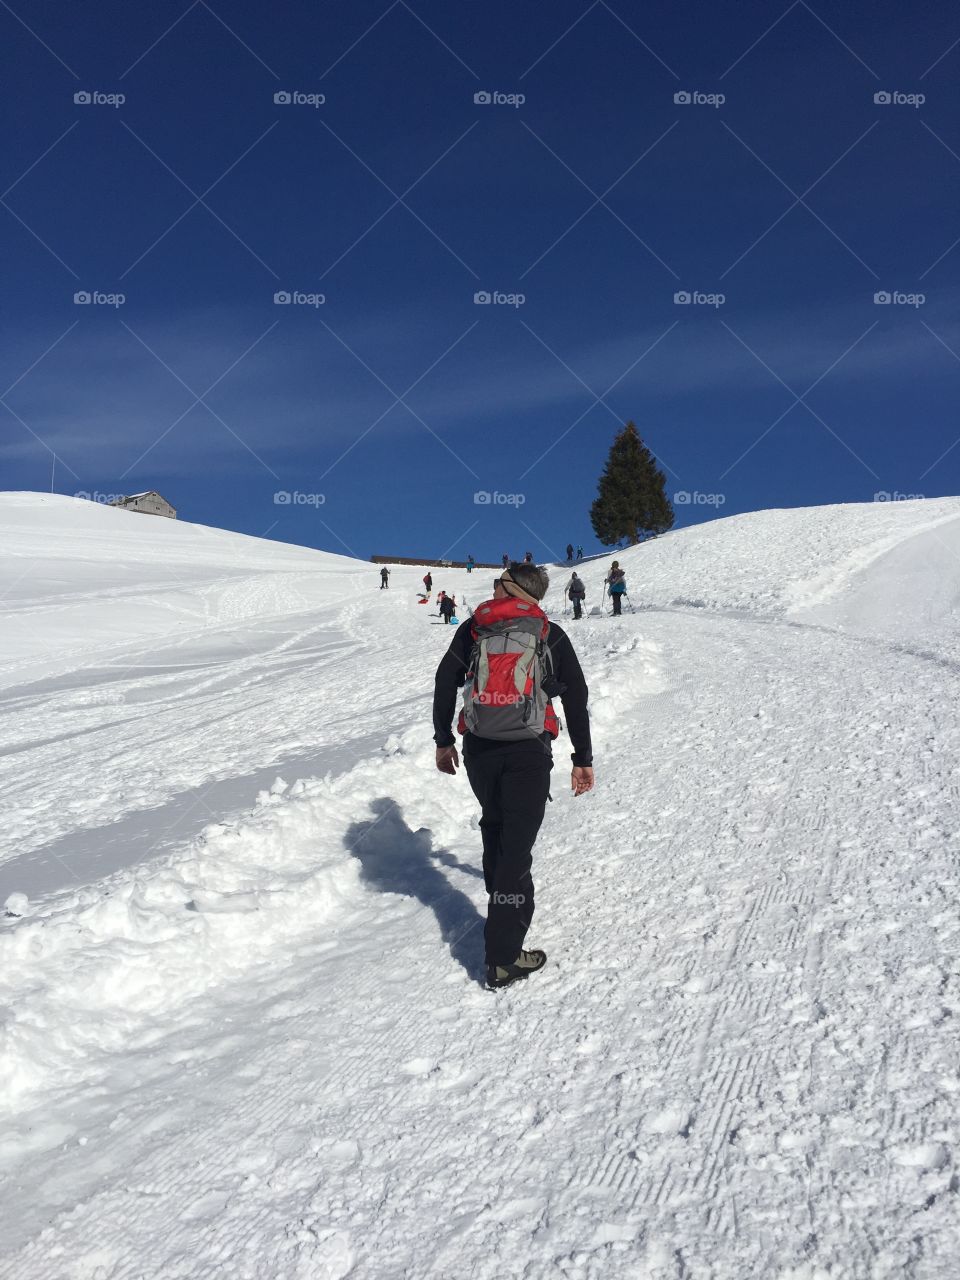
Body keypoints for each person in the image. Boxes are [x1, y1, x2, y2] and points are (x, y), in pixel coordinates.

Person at [433, 562, 594, 990]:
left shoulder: (473, 629)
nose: (491, 587)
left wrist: (442, 738)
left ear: (513, 589)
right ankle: (503, 958)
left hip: (480, 748)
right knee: (516, 851)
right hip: (528, 751)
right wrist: (583, 757)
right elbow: (576, 694)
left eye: (497, 582)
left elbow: (444, 679)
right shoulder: (547, 632)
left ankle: (500, 902)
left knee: (495, 825)